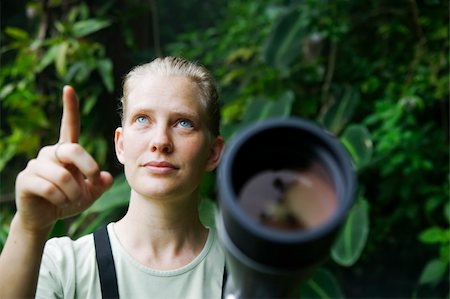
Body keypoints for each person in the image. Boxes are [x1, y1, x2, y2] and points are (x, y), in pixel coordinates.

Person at [0, 56, 226, 298]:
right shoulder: (64, 267)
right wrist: (29, 228)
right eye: (142, 119)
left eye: (184, 123)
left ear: (212, 153)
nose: (160, 141)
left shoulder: (246, 269)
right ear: (121, 144)